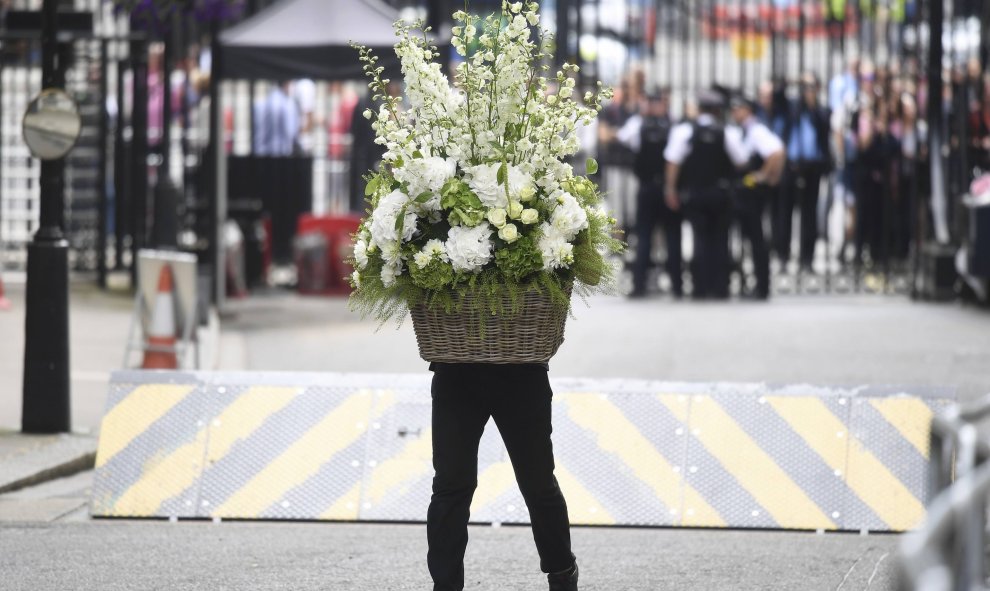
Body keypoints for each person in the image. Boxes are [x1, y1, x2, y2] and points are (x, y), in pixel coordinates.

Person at [427, 362, 578, 591]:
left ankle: (562, 573)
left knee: (537, 483)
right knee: (451, 485)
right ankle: (445, 586)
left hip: (522, 374)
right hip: (456, 374)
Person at [665, 90, 749, 299]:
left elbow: (673, 162)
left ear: (700, 108)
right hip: (720, 194)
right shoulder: (727, 133)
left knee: (699, 238)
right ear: (718, 111)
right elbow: (742, 161)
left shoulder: (685, 132)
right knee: (721, 239)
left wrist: (671, 189)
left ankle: (699, 287)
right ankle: (720, 286)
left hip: (695, 193)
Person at [616, 89, 681, 298]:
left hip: (646, 187)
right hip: (665, 187)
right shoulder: (673, 127)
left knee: (644, 235)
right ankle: (677, 284)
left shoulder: (638, 125)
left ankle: (639, 284)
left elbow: (622, 137)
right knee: (670, 235)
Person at [731, 94, 786, 300]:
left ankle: (762, 285)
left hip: (752, 194)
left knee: (756, 240)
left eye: (739, 109)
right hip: (746, 194)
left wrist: (765, 176)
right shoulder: (745, 130)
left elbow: (777, 152)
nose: (735, 113)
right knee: (750, 240)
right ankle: (752, 282)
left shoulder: (755, 130)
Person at [776, 72, 831, 274]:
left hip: (813, 167)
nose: (807, 91)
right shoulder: (793, 107)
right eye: (805, 87)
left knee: (809, 215)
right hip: (791, 165)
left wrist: (812, 104)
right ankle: (783, 256)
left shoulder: (822, 110)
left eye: (811, 87)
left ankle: (807, 259)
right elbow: (778, 96)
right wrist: (793, 80)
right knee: (786, 214)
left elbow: (823, 125)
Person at [253, 80, 300, 156]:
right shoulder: (289, 106)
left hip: (259, 154)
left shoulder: (259, 104)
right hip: (281, 155)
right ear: (287, 84)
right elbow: (291, 133)